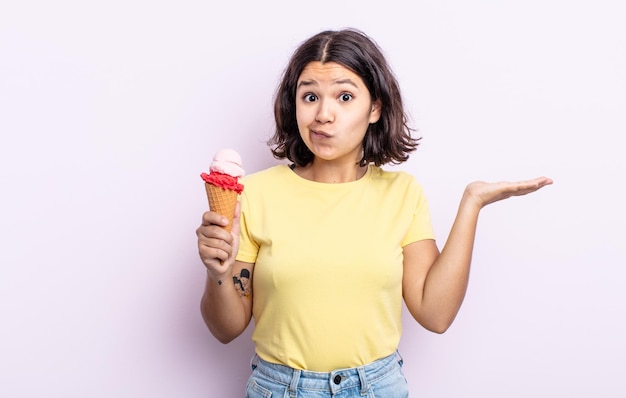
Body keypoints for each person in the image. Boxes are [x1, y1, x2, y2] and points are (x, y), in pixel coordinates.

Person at [196, 28, 552, 397]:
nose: (323, 114)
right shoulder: (254, 194)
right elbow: (225, 329)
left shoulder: (403, 194)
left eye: (345, 96)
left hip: (376, 387)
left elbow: (436, 314)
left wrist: (472, 204)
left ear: (375, 108)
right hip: (281, 388)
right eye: (310, 96)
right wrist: (218, 272)